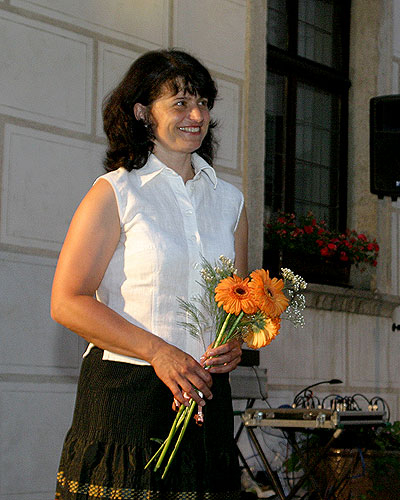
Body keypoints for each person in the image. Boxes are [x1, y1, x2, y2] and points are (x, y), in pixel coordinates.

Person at [51, 49, 247, 499]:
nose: (196, 114)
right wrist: (160, 353)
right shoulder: (114, 192)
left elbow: (236, 303)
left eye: (202, 102)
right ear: (142, 112)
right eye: (179, 103)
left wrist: (236, 341)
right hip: (126, 400)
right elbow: (67, 300)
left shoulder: (230, 203)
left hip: (205, 401)